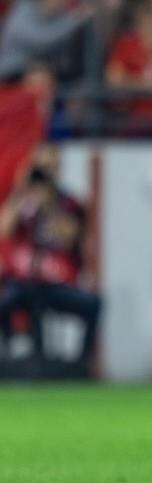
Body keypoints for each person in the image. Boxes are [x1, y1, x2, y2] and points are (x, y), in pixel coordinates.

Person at [0, 142, 102, 371]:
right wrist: (21, 190)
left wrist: (49, 206)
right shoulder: (22, 201)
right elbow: (4, 229)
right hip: (23, 282)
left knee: (93, 303)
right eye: (41, 166)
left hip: (56, 283)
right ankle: (9, 362)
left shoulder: (69, 202)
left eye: (50, 167)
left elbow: (69, 237)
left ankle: (80, 367)